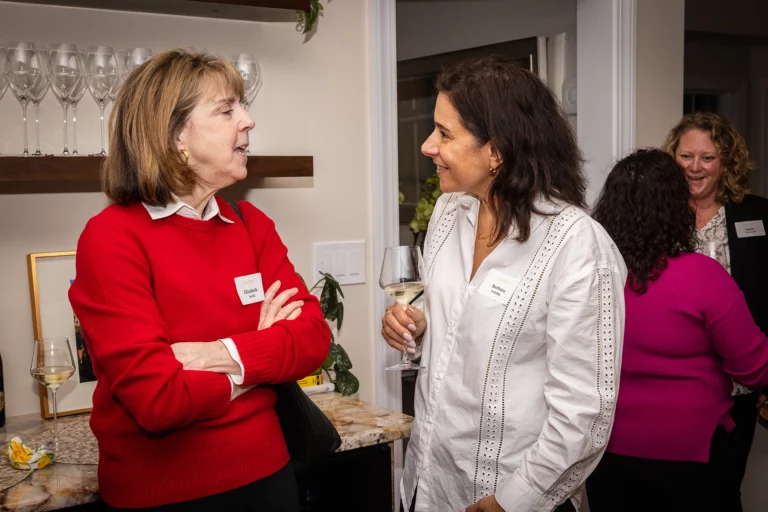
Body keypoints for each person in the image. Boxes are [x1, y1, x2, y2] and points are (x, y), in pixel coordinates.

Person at [68, 49, 331, 511]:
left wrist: (218, 355)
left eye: (242, 107)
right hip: (163, 496)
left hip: (270, 479)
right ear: (174, 136)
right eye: (227, 110)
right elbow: (159, 398)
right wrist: (261, 354)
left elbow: (312, 339)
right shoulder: (111, 238)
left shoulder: (250, 224)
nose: (248, 121)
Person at [380, 55, 627, 512]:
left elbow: (584, 413)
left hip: (511, 495)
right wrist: (414, 328)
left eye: (445, 134)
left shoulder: (576, 245)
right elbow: (453, 331)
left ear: (496, 151)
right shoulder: (447, 212)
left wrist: (512, 501)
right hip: (431, 484)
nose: (428, 146)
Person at [587, 149, 768, 512]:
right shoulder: (703, 276)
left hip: (605, 449)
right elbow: (753, 367)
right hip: (692, 453)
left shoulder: (589, 276)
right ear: (677, 207)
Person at [663, 112, 768, 510]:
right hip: (674, 382)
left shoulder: (757, 215)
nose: (694, 167)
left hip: (739, 381)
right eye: (685, 155)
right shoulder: (660, 215)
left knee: (723, 488)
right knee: (674, 491)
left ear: (726, 163)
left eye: (707, 157)